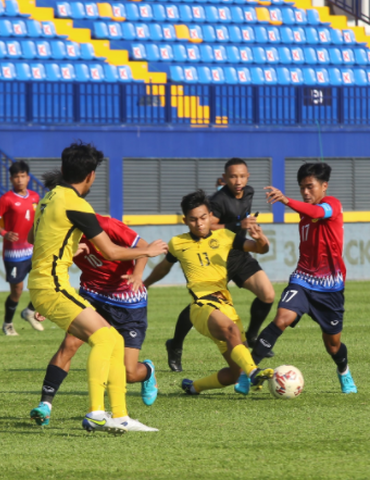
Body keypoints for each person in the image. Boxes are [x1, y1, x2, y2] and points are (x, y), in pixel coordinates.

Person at [28, 142, 167, 433]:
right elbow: (112, 253)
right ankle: (96, 413)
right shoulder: (78, 205)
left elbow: (33, 235)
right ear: (91, 175)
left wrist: (66, 244)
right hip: (53, 287)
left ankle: (120, 416)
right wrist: (149, 251)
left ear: (64, 169)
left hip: (44, 286)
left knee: (113, 342)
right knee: (105, 339)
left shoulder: (48, 197)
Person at [144, 189, 274, 396]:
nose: (199, 223)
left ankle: (194, 386)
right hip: (201, 307)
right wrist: (145, 284)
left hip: (225, 306)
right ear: (185, 220)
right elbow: (164, 267)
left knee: (233, 373)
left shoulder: (226, 236)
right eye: (193, 220)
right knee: (231, 332)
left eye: (203, 218)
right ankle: (254, 372)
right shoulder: (177, 243)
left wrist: (261, 239)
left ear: (210, 216)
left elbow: (260, 249)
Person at [252, 163, 357, 393]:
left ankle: (343, 371)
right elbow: (308, 211)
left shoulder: (332, 205)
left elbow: (318, 212)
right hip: (302, 279)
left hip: (330, 288)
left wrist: (286, 200)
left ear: (324, 186)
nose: (306, 192)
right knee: (281, 319)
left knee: (333, 345)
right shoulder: (304, 211)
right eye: (302, 188)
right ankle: (246, 372)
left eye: (310, 187)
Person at [166, 158, 276, 372]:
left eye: (242, 176)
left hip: (240, 255)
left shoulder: (249, 192)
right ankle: (176, 345)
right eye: (233, 176)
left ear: (248, 176)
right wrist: (238, 224)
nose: (238, 180)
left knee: (268, 295)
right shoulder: (217, 200)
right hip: (218, 257)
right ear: (225, 178)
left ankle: (252, 336)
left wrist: (253, 230)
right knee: (199, 304)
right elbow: (209, 225)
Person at [0, 161, 42, 336]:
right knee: (17, 291)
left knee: (45, 283)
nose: (19, 180)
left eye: (22, 176)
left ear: (28, 177)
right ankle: (8, 324)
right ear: (11, 179)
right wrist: (4, 233)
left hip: (33, 249)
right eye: (16, 177)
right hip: (14, 253)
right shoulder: (6, 199)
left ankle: (29, 311)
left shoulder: (35, 197)